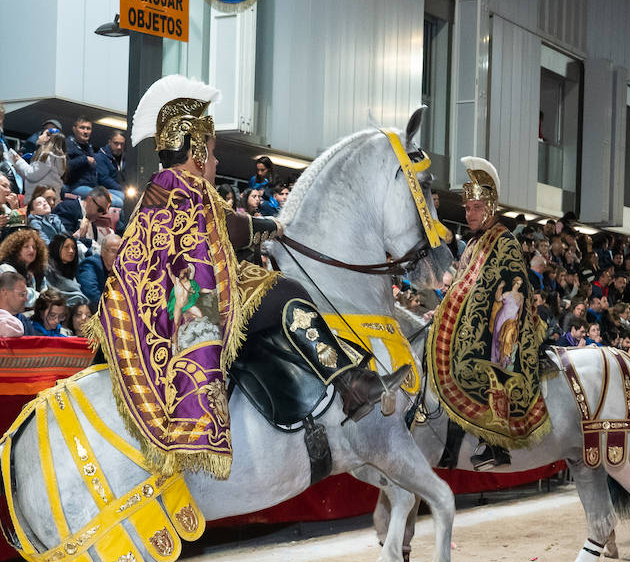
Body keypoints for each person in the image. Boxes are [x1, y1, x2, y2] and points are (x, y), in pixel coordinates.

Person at [92, 75, 401, 479]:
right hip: (188, 307)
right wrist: (272, 227)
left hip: (163, 305)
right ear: (196, 152)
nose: (217, 163)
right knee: (286, 291)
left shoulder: (160, 189)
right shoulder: (187, 188)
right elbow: (230, 229)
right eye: (213, 153)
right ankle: (350, 385)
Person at [426, 157, 548, 471]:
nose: (469, 214)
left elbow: (502, 284)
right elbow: (464, 283)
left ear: (491, 208)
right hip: (477, 320)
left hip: (502, 325)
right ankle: (452, 442)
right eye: (467, 208)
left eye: (476, 207)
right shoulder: (474, 243)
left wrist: (465, 306)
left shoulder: (505, 240)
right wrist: (443, 309)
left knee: (472, 364)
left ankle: (495, 443)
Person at [0, 227, 47, 297]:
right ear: (15, 249)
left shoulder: (36, 271)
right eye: (26, 246)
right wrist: (43, 299)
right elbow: (19, 294)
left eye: (34, 247)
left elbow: (45, 292)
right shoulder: (5, 269)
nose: (31, 250)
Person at [12, 126, 66, 196]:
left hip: (41, 194)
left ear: (47, 138)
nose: (39, 137)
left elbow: (32, 175)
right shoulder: (58, 156)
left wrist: (19, 161)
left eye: (42, 134)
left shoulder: (47, 156)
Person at [78, 231, 119, 310]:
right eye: (113, 251)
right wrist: (110, 309)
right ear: (102, 251)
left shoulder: (119, 269)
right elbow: (90, 292)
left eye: (120, 252)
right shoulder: (91, 264)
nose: (117, 256)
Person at [44, 233, 85, 305]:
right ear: (56, 248)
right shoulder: (47, 270)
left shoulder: (73, 270)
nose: (71, 251)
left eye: (73, 248)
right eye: (66, 247)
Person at [63, 115, 97, 194]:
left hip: (91, 186)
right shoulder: (67, 144)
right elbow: (65, 166)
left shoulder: (89, 147)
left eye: (88, 128)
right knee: (109, 199)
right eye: (82, 128)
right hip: (73, 187)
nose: (85, 131)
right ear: (74, 129)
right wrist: (85, 160)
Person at [95, 130, 126, 201]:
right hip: (103, 190)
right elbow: (104, 179)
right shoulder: (100, 157)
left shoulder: (125, 158)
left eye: (122, 144)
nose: (119, 147)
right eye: (116, 143)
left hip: (119, 189)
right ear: (109, 142)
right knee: (123, 198)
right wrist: (122, 189)